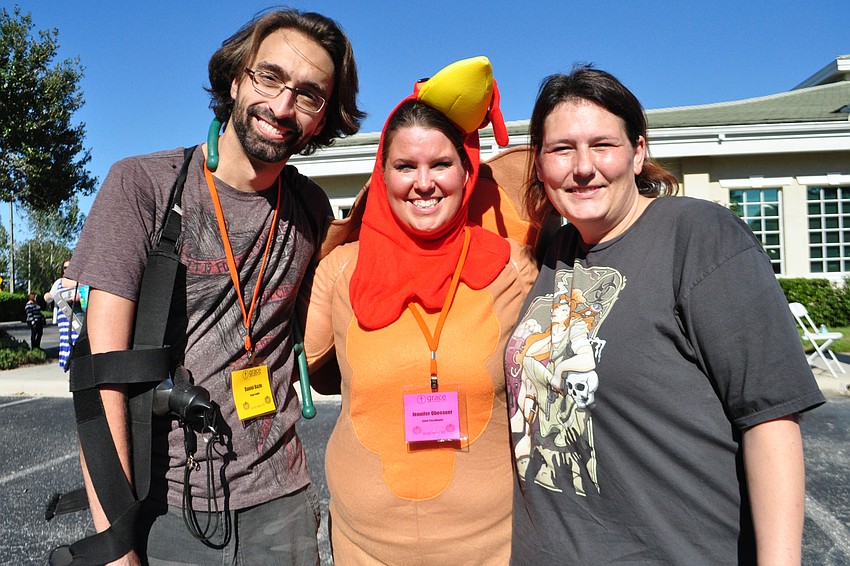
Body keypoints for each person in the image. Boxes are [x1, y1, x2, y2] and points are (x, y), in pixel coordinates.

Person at [65, 9, 363, 565]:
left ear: (322, 119)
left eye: (308, 95)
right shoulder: (145, 186)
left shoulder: (310, 209)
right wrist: (115, 544)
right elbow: (101, 376)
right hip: (167, 509)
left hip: (285, 505)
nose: (282, 106)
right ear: (235, 80)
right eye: (269, 77)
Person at [504, 66, 826, 565]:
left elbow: (770, 419)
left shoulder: (700, 237)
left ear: (638, 152)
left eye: (603, 145)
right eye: (562, 149)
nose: (583, 167)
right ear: (541, 163)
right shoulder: (553, 253)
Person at [302, 57, 536, 564]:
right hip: (363, 549)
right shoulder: (340, 270)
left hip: (492, 549)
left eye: (441, 164)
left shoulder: (514, 267)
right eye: (405, 166)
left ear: (467, 170)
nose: (423, 182)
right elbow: (296, 360)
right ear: (381, 175)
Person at [44, 260, 80, 370]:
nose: (67, 269)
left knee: (77, 338)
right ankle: (66, 364)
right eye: (65, 267)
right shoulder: (58, 282)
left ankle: (76, 364)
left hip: (77, 315)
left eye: (70, 266)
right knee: (65, 339)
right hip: (63, 316)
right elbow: (49, 297)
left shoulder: (80, 281)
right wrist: (48, 296)